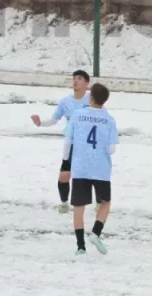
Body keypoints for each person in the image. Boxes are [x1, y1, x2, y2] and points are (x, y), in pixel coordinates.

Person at [64, 83, 118, 255]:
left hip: (80, 167)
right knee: (105, 203)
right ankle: (96, 232)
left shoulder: (77, 115)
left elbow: (68, 142)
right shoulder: (109, 119)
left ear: (91, 97)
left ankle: (80, 247)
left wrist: (66, 162)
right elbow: (112, 149)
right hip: (101, 169)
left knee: (79, 207)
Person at [30, 69, 90, 213]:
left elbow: (102, 118)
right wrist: (40, 123)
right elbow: (54, 119)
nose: (75, 81)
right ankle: (64, 204)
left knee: (91, 176)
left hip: (89, 145)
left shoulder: (92, 100)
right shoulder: (65, 101)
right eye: (74, 78)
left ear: (87, 83)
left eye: (80, 78)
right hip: (71, 144)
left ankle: (100, 203)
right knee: (64, 176)